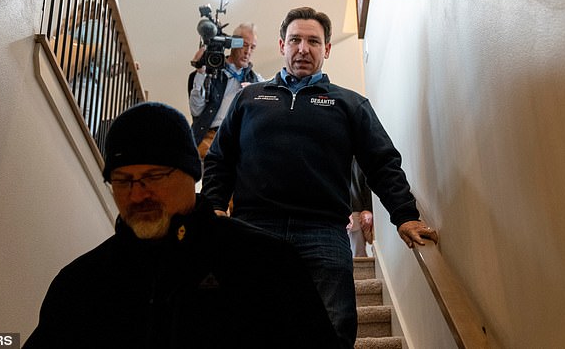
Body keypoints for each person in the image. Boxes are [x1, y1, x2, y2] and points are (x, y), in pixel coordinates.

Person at [201, 7, 439, 349]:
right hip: (253, 229)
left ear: (327, 49)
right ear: (282, 45)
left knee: (332, 329)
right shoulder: (249, 99)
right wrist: (213, 206)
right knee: (246, 324)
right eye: (295, 40)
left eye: (313, 41)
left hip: (323, 233)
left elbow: (382, 162)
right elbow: (221, 159)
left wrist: (405, 215)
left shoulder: (350, 105)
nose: (303, 48)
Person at [23, 101, 339, 349]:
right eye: (122, 181)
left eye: (153, 177)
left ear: (190, 175)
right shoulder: (81, 284)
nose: (137, 194)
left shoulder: (265, 263)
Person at [188, 22, 265, 159]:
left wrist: (254, 96)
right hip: (210, 137)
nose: (248, 52)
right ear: (233, 43)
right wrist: (201, 72)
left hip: (240, 140)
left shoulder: (256, 81)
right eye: (244, 45)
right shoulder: (211, 72)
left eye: (252, 47)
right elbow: (196, 111)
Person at [347, 158, 374, 257]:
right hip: (336, 213)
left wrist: (368, 209)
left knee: (357, 256)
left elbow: (368, 184)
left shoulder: (358, 159)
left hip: (355, 212)